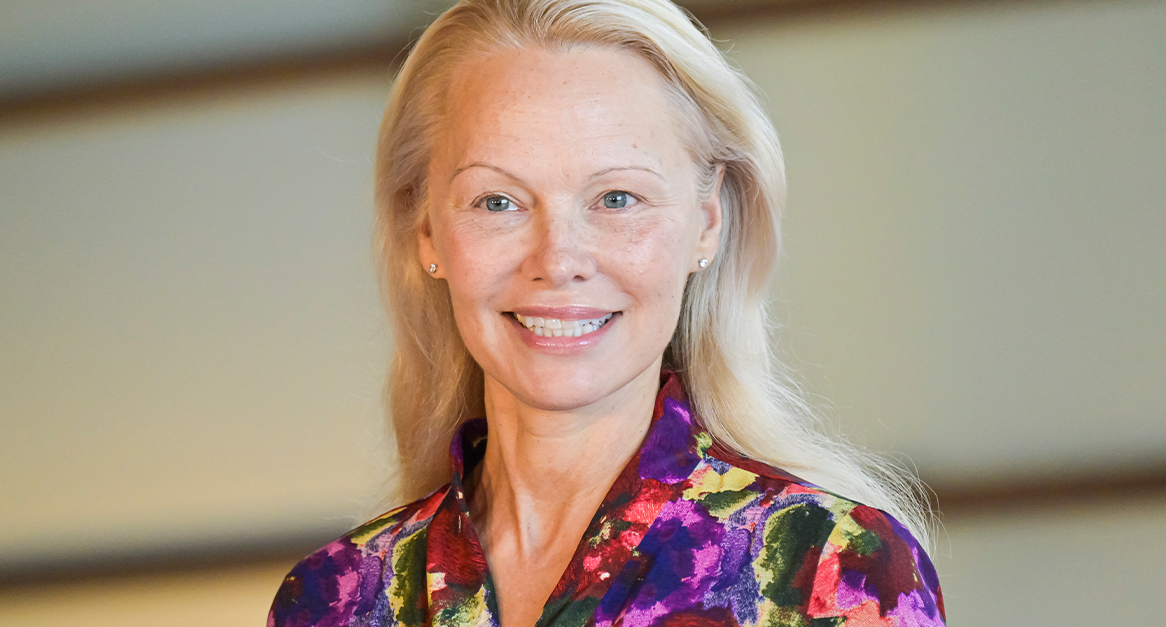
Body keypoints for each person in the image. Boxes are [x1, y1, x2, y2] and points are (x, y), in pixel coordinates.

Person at [268, 0, 945, 625]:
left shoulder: (836, 566)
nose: (558, 259)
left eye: (617, 198)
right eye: (497, 201)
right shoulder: (335, 598)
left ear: (706, 223)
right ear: (426, 231)